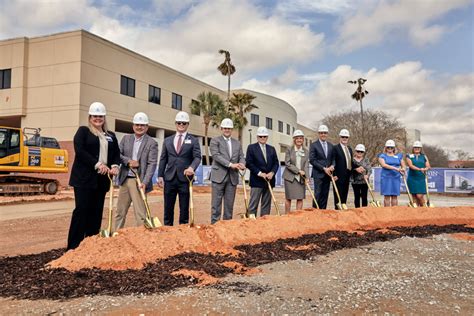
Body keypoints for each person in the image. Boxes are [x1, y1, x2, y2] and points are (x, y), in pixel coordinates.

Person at [67, 102, 120, 250]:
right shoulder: (83, 131)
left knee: (96, 213)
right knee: (81, 210)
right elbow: (80, 151)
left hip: (101, 181)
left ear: (104, 118)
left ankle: (90, 245)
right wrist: (97, 164)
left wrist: (115, 166)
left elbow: (116, 154)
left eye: (100, 116)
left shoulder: (111, 135)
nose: (98, 119)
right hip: (84, 179)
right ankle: (73, 246)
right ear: (90, 117)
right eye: (95, 116)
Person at [114, 112, 158, 230]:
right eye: (137, 124)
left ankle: (142, 237)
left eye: (142, 125)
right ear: (133, 126)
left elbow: (152, 164)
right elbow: (118, 154)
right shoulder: (126, 139)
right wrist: (128, 161)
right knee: (120, 211)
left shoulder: (152, 143)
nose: (139, 127)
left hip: (139, 182)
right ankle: (116, 235)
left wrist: (145, 182)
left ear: (147, 127)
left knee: (140, 214)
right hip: (125, 179)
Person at [158, 111, 201, 226]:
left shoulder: (193, 140)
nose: (181, 125)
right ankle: (168, 229)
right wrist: (160, 175)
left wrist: (192, 168)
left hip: (185, 179)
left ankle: (183, 230)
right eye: (179, 122)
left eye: (184, 123)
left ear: (187, 124)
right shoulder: (167, 140)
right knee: (168, 207)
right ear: (175, 123)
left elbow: (197, 157)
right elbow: (163, 159)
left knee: (184, 208)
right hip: (169, 179)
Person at [209, 118, 246, 224]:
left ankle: (227, 227)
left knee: (229, 206)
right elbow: (216, 156)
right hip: (218, 176)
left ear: (232, 129)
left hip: (232, 178)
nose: (227, 130)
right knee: (216, 205)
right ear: (221, 128)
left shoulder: (237, 143)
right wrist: (231, 165)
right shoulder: (215, 140)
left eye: (229, 128)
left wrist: (242, 163)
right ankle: (215, 227)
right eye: (225, 128)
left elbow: (241, 156)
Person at [246, 126, 279, 217]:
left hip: (269, 181)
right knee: (253, 205)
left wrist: (272, 173)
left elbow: (276, 163)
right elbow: (249, 163)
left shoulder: (271, 149)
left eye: (264, 136)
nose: (263, 138)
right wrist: (260, 173)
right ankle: (251, 224)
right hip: (257, 181)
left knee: (266, 205)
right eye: (261, 136)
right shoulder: (251, 148)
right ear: (257, 137)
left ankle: (264, 223)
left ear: (267, 137)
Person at [332, 129, 363, 209]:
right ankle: (338, 213)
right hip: (338, 177)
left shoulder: (349, 149)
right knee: (338, 196)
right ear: (340, 137)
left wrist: (356, 168)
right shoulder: (335, 148)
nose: (344, 138)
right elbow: (332, 162)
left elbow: (350, 163)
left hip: (347, 176)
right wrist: (334, 175)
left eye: (346, 137)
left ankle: (343, 212)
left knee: (344, 195)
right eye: (343, 137)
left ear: (348, 138)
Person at [282, 129, 309, 213]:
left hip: (301, 179)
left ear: (303, 140)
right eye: (297, 138)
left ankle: (298, 217)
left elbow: (306, 165)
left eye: (301, 138)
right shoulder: (289, 149)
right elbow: (287, 163)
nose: (299, 140)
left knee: (300, 198)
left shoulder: (306, 151)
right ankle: (287, 215)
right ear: (294, 139)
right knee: (288, 197)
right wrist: (298, 171)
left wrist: (307, 177)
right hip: (290, 178)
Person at [309, 124, 334, 209]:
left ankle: (323, 213)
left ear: (327, 134)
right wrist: (323, 168)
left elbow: (333, 159)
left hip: (328, 175)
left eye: (325, 133)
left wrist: (332, 166)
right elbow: (312, 160)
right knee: (318, 194)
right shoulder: (314, 145)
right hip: (318, 174)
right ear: (319, 134)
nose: (323, 134)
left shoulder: (331, 146)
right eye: (321, 133)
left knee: (325, 194)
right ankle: (315, 212)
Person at [378, 139, 406, 207]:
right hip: (386, 177)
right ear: (385, 148)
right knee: (387, 196)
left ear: (394, 148)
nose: (390, 149)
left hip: (396, 178)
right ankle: (387, 213)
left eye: (391, 147)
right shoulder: (382, 156)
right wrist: (396, 168)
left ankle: (394, 213)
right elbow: (384, 165)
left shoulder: (399, 156)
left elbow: (403, 165)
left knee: (394, 196)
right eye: (388, 147)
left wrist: (403, 169)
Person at [406, 141, 431, 206]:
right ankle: (416, 212)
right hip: (412, 178)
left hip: (421, 178)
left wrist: (425, 169)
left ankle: (423, 208)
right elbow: (411, 165)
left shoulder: (424, 156)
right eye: (415, 147)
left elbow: (428, 166)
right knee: (414, 197)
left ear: (421, 148)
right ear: (413, 148)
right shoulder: (408, 156)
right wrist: (420, 169)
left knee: (419, 196)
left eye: (418, 147)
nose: (417, 149)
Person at [351, 144, 372, 208]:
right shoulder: (352, 160)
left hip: (364, 182)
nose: (359, 153)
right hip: (355, 182)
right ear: (355, 151)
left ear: (363, 152)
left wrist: (367, 175)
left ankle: (364, 211)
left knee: (364, 197)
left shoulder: (366, 160)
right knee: (356, 197)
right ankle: (357, 211)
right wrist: (355, 169)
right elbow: (349, 169)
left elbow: (369, 169)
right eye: (358, 151)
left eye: (361, 152)